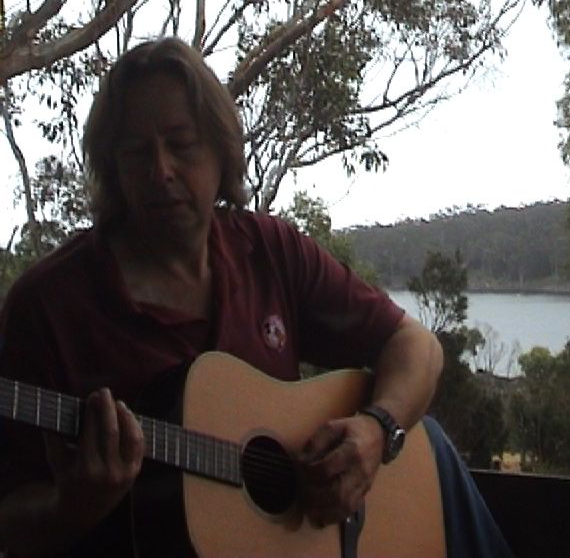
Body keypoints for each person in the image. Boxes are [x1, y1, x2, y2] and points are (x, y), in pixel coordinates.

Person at [0, 37, 511, 557]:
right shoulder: (47, 306)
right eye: (136, 152)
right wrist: (72, 506)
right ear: (113, 167)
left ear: (220, 151)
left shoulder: (268, 250)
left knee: (432, 449)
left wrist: (377, 431)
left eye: (181, 144)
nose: (161, 170)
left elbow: (415, 345)